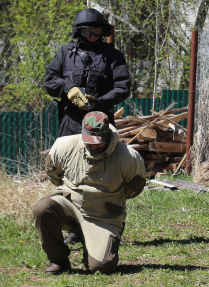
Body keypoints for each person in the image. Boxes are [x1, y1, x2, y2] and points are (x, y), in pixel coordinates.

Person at [32, 111, 147, 274]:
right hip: (71, 205)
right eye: (88, 142)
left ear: (107, 136)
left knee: (100, 267)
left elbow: (135, 187)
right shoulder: (63, 145)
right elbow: (53, 173)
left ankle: (100, 242)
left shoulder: (128, 156)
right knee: (43, 208)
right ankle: (59, 259)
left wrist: (111, 202)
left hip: (103, 216)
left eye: (97, 143)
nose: (92, 146)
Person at [43, 9, 132, 138]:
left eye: (96, 31)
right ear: (78, 31)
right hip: (70, 122)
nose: (92, 35)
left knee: (102, 156)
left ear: (103, 31)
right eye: (87, 31)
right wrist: (68, 88)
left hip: (101, 121)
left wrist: (98, 102)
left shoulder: (113, 55)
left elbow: (123, 87)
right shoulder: (65, 52)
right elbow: (49, 80)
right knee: (67, 156)